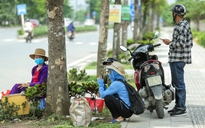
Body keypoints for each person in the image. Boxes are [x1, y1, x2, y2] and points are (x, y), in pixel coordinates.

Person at [161, 4, 193, 116]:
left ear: (176, 14)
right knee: (176, 83)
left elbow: (181, 44)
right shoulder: (182, 25)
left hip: (178, 59)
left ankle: (181, 107)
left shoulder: (181, 26)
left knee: (179, 84)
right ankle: (178, 106)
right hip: (177, 58)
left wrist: (169, 42)